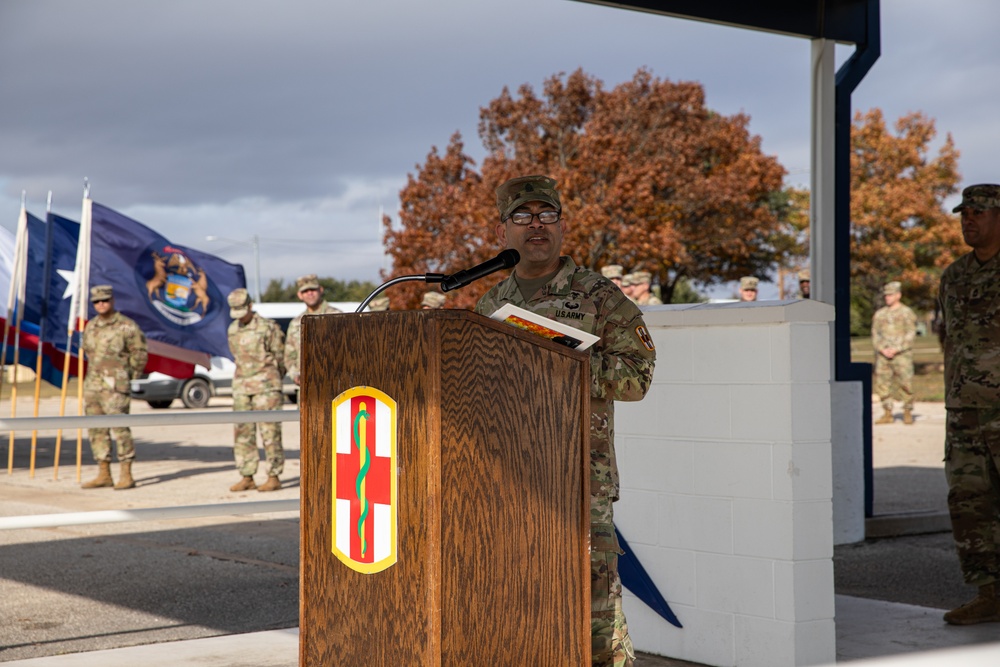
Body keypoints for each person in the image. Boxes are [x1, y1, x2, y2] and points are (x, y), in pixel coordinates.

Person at [474, 175, 656, 666]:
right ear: (502, 231)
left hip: (581, 481)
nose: (536, 226)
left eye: (546, 215)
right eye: (522, 216)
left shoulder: (598, 295)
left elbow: (638, 377)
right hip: (510, 481)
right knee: (522, 607)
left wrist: (564, 363)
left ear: (561, 225)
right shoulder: (489, 306)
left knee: (594, 617)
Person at [938, 183, 1000, 625]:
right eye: (965, 212)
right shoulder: (953, 275)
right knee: (969, 501)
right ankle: (989, 593)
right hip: (964, 409)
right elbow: (950, 342)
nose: (969, 219)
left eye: (979, 211)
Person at [80, 285, 148, 490]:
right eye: (96, 301)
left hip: (115, 386)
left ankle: (126, 473)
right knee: (96, 429)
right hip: (93, 385)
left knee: (120, 429)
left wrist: (127, 376)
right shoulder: (91, 326)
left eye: (105, 300)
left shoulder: (126, 326)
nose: (101, 304)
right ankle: (104, 473)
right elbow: (88, 353)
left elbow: (140, 353)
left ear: (112, 300)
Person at [227, 288, 286, 493]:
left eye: (242, 310)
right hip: (242, 388)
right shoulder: (233, 329)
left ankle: (273, 475)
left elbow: (280, 356)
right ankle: (247, 475)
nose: (240, 316)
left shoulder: (267, 327)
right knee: (243, 433)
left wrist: (272, 378)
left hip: (266, 387)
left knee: (270, 433)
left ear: (250, 306)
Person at [284, 274, 341, 389]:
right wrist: (295, 374)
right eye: (305, 291)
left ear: (320, 290)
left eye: (313, 289)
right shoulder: (296, 323)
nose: (310, 293)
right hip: (306, 387)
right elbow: (289, 355)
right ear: (300, 295)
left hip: (334, 384)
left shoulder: (337, 316)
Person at [871, 281, 917, 425]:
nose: (887, 298)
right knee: (882, 384)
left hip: (902, 355)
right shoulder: (880, 314)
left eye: (890, 295)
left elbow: (911, 333)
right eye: (886, 295)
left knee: (906, 383)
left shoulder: (906, 313)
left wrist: (897, 348)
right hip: (883, 356)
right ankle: (887, 413)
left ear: (898, 295)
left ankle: (907, 412)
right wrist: (881, 349)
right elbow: (875, 333)